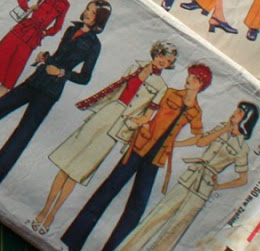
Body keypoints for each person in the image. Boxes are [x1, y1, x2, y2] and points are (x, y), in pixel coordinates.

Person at [0, 0, 110, 194]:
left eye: (93, 12)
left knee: (21, 135)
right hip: (35, 80)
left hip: (50, 92)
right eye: (88, 9)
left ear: (99, 19)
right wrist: (46, 58)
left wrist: (61, 73)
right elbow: (59, 56)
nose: (87, 13)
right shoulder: (71, 29)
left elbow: (85, 78)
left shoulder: (94, 45)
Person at [32, 41, 178, 236]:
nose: (163, 61)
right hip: (105, 113)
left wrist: (134, 121)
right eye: (162, 56)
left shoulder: (161, 86)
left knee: (78, 170)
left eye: (168, 61)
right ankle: (43, 210)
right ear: (156, 54)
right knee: (66, 162)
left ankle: (52, 215)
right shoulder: (135, 67)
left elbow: (147, 116)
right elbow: (115, 91)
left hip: (118, 127)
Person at [61, 65, 210, 251]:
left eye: (195, 78)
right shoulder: (170, 93)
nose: (189, 79)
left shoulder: (196, 111)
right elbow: (148, 110)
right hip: (139, 147)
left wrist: (175, 144)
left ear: (201, 85)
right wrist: (143, 122)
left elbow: (198, 137)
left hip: (156, 159)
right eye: (190, 75)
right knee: (108, 189)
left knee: (136, 207)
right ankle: (71, 242)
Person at [118, 102, 257, 251]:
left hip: (204, 188)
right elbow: (202, 142)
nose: (235, 113)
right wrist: (224, 129)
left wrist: (218, 186)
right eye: (236, 109)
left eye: (240, 112)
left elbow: (243, 179)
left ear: (247, 119)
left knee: (175, 230)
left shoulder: (242, 148)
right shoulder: (221, 128)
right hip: (189, 177)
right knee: (156, 217)